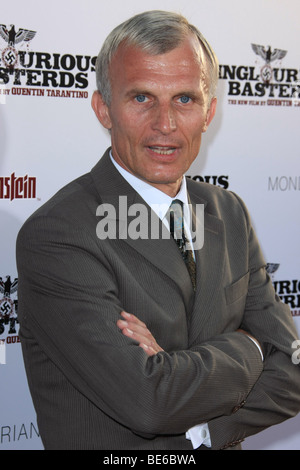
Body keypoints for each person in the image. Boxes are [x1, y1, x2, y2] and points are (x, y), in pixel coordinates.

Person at [16, 10, 300, 451]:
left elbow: (296, 371)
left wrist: (206, 428)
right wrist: (253, 348)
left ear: (209, 113)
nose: (165, 124)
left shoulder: (228, 211)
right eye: (142, 98)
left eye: (184, 99)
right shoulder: (59, 234)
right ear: (103, 109)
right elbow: (150, 402)